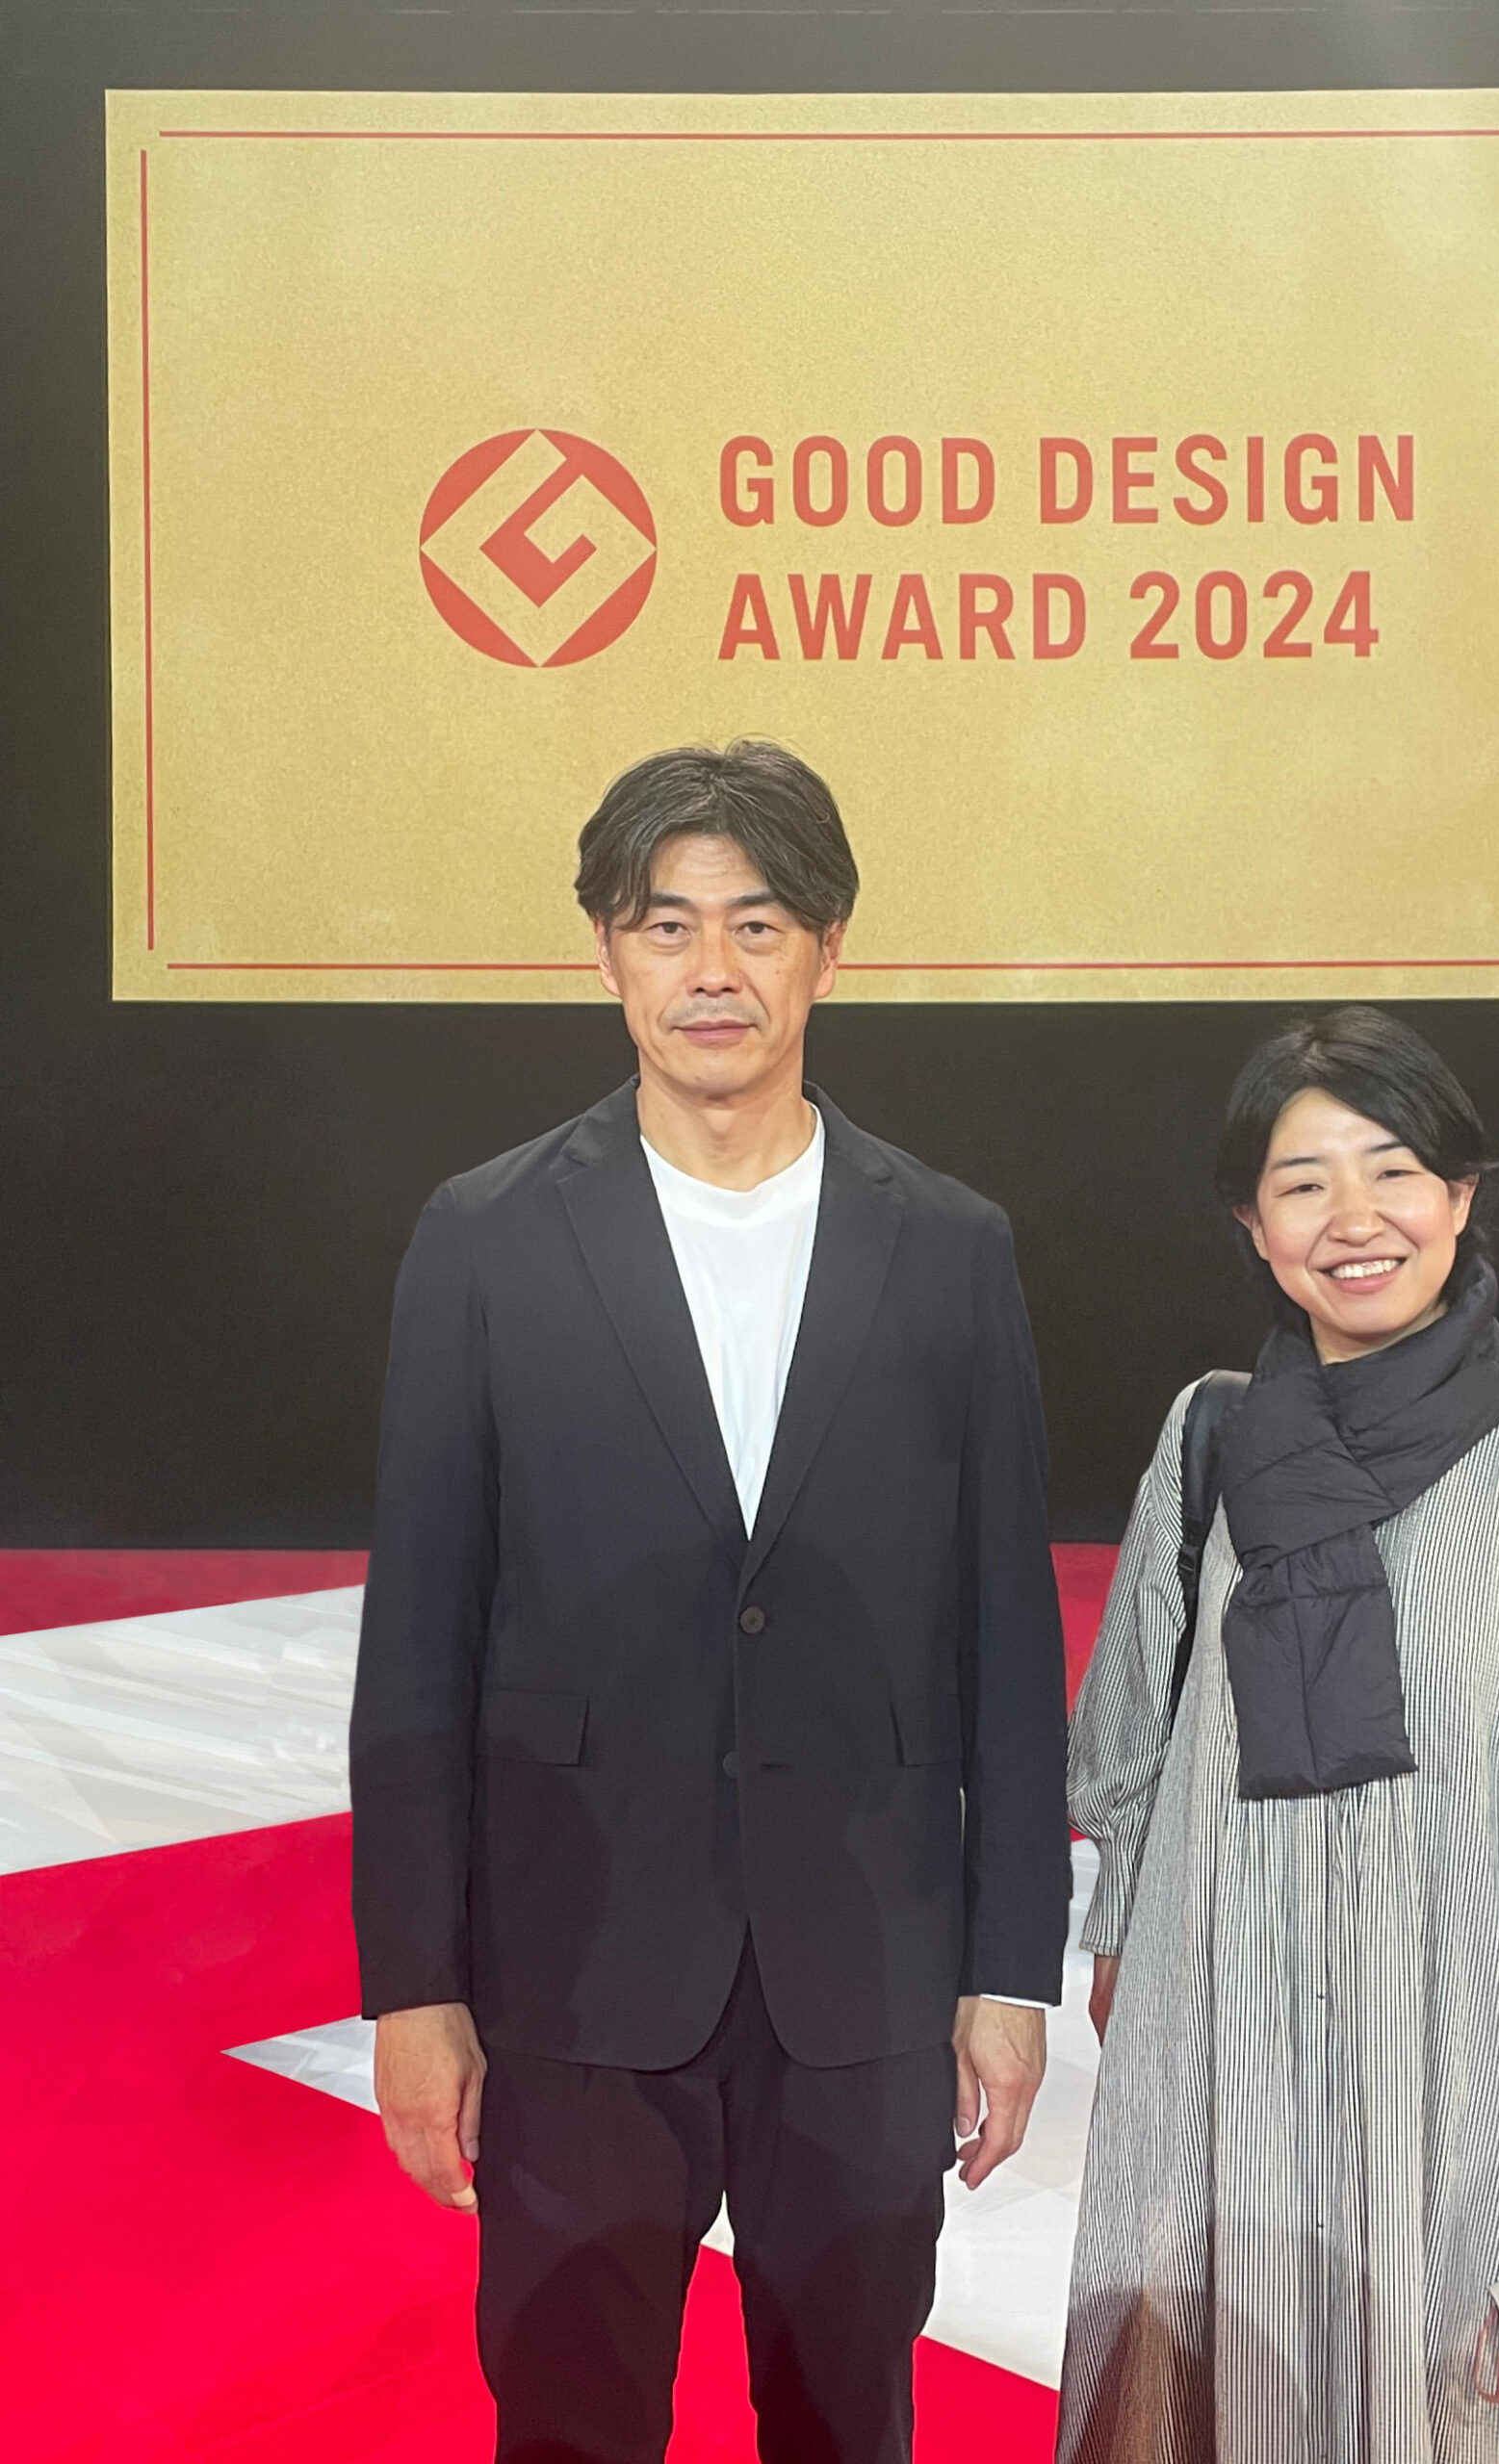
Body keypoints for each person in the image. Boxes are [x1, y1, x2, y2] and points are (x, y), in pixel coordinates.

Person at [349, 739, 1072, 2464]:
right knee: (573, 2424)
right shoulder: (485, 1237)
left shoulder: (950, 1246)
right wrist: (411, 1986)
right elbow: (420, 1638)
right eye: (666, 926)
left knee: (849, 2423)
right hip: (574, 1968)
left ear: (829, 950)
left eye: (757, 925)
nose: (712, 969)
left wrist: (1008, 1969)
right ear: (608, 952)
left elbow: (1006, 1635)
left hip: (866, 1972)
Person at [1060, 1006, 1499, 2464]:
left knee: (1464, 2400)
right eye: (1303, 1183)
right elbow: (1136, 1740)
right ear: (1254, 1224)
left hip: (1476, 2057)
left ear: (1462, 1194)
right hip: (1231, 2040)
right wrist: (1127, 1954)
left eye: (1396, 1171)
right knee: (1235, 2388)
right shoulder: (1211, 1440)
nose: (1354, 1220)